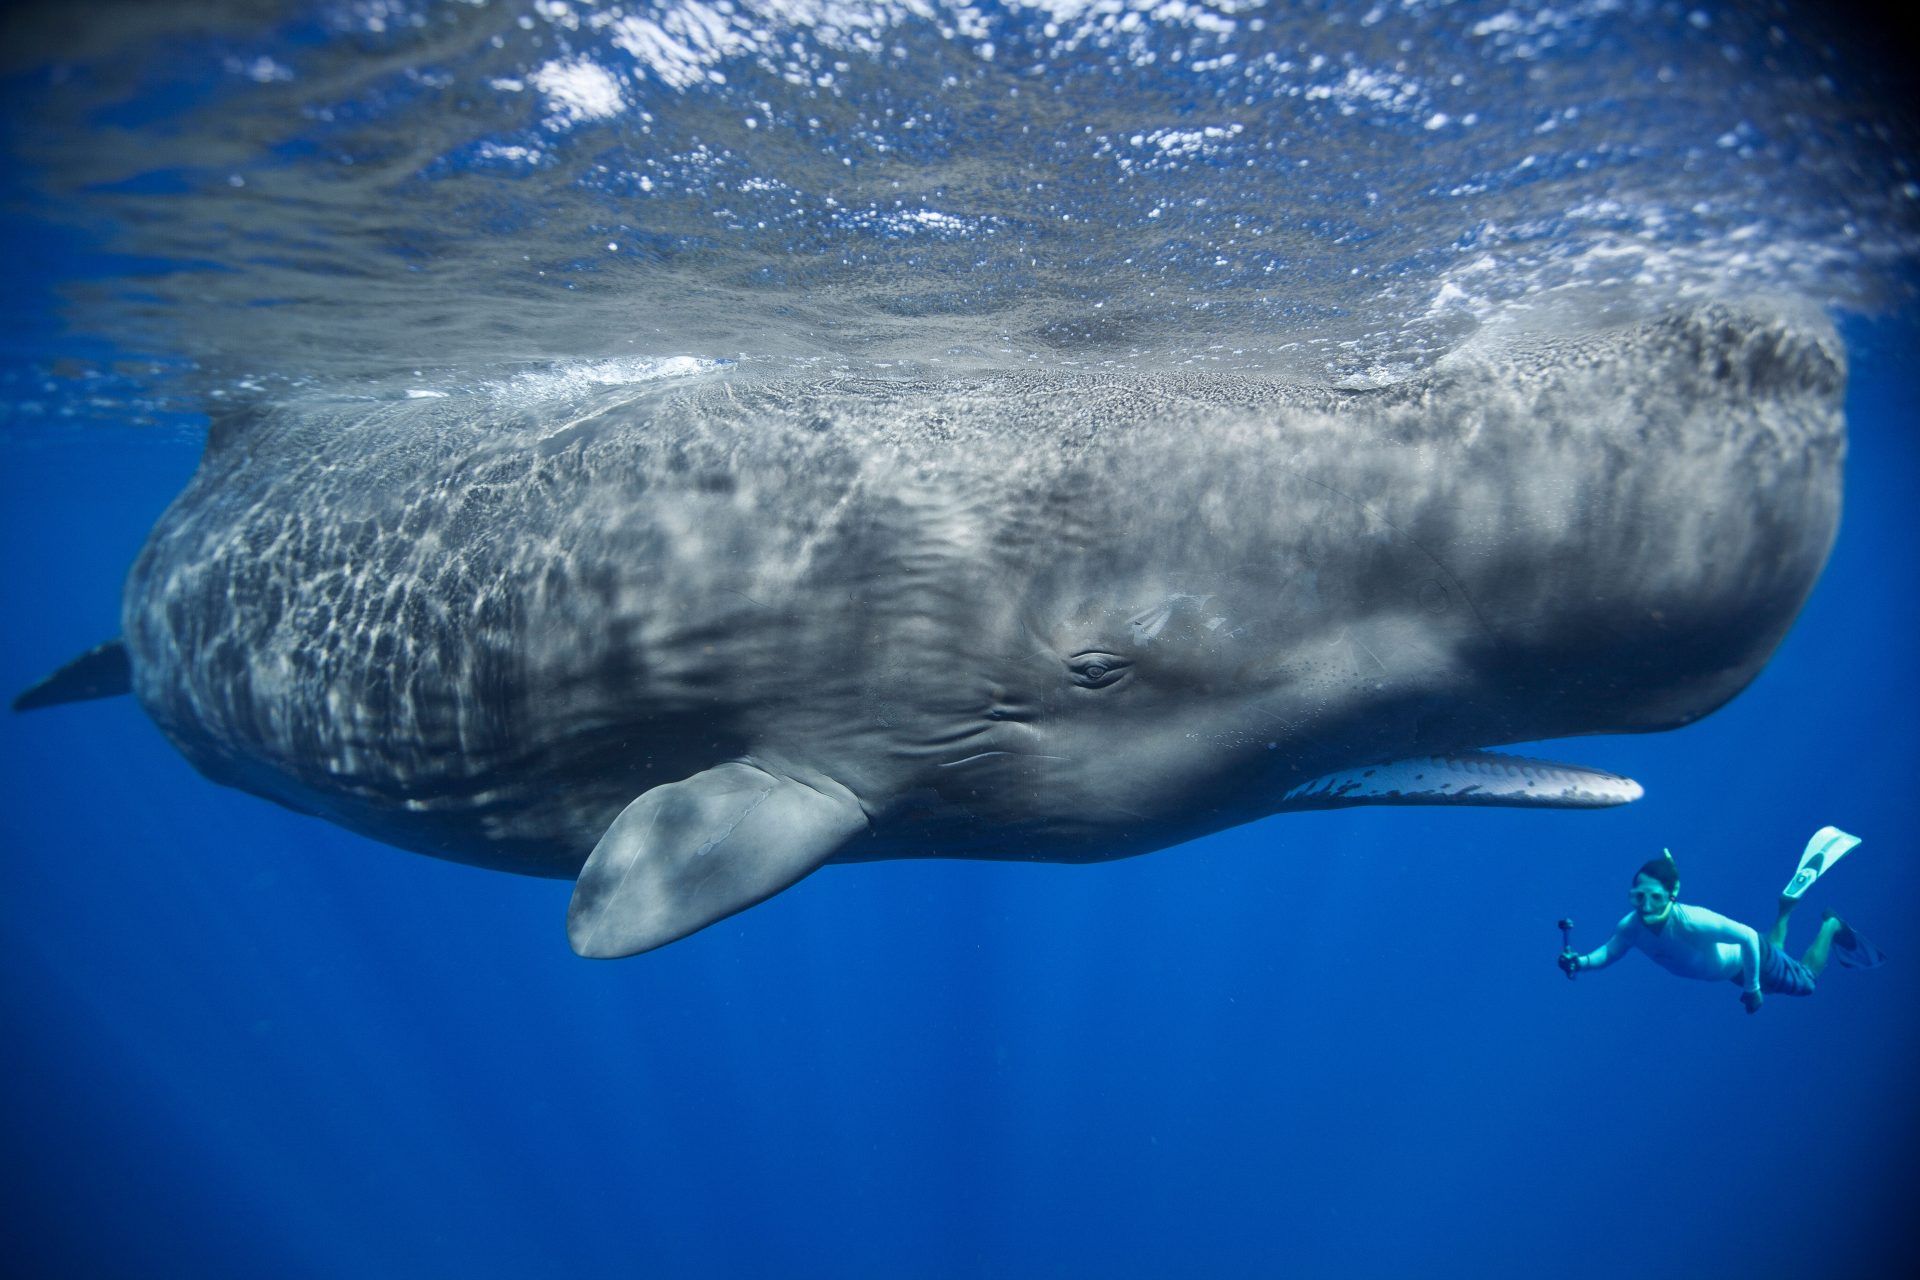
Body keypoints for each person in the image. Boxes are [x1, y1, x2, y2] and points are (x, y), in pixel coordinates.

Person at [1558, 853, 1849, 1014]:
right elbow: (1610, 952)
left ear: (1672, 894)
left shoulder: (1693, 920)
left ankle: (1831, 924)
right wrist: (1580, 962)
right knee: (1775, 963)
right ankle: (1786, 907)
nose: (1646, 906)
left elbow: (1747, 936)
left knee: (1806, 983)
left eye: (1655, 898)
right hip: (1732, 970)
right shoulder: (1630, 927)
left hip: (1748, 957)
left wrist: (1753, 988)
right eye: (1638, 897)